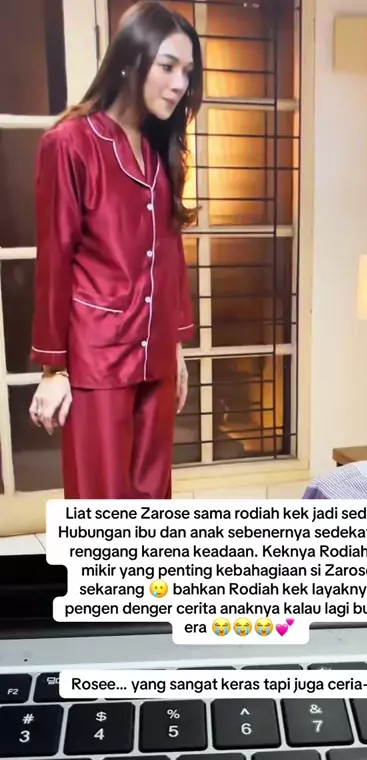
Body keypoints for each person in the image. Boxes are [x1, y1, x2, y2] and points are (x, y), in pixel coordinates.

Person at [28, 1, 203, 500]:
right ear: (130, 61)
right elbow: (55, 259)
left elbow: (169, 251)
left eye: (187, 72)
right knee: (100, 506)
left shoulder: (158, 148)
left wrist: (176, 347)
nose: (179, 84)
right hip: (97, 360)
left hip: (156, 357)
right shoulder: (69, 143)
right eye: (168, 66)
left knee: (153, 501)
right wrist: (53, 369)